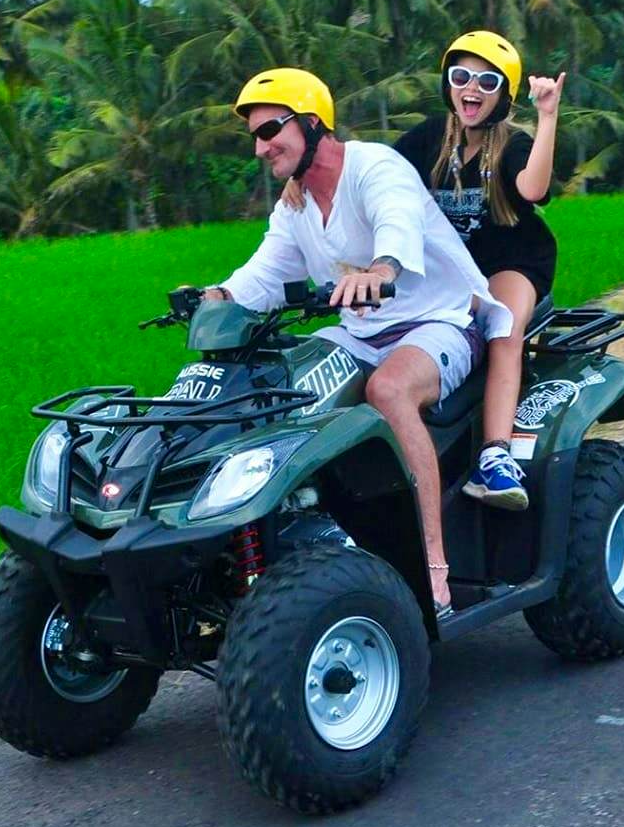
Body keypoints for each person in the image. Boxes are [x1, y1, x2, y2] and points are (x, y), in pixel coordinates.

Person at [208, 67, 512, 614]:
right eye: (254, 135)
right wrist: (218, 296)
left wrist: (381, 268)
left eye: (270, 130)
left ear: (312, 123)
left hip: (441, 320)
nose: (260, 148)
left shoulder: (375, 166)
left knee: (389, 392)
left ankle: (434, 571)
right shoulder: (295, 204)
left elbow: (396, 223)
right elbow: (266, 273)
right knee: (282, 387)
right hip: (362, 333)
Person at [390, 31, 563, 509]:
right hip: (451, 270)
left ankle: (495, 456)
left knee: (500, 328)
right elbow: (378, 173)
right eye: (461, 76)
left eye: (487, 81)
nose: (472, 89)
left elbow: (532, 189)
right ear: (448, 82)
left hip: (511, 262)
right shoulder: (428, 139)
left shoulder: (511, 145)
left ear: (504, 95)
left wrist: (547, 116)